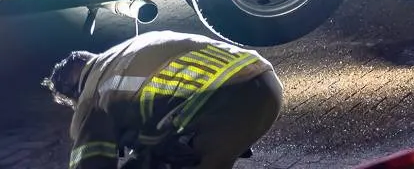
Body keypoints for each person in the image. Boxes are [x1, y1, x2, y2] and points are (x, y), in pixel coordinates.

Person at [45, 31, 284, 168]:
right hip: (263, 83)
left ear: (72, 91)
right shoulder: (122, 54)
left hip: (225, 103)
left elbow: (90, 162)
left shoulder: (91, 93)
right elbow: (157, 116)